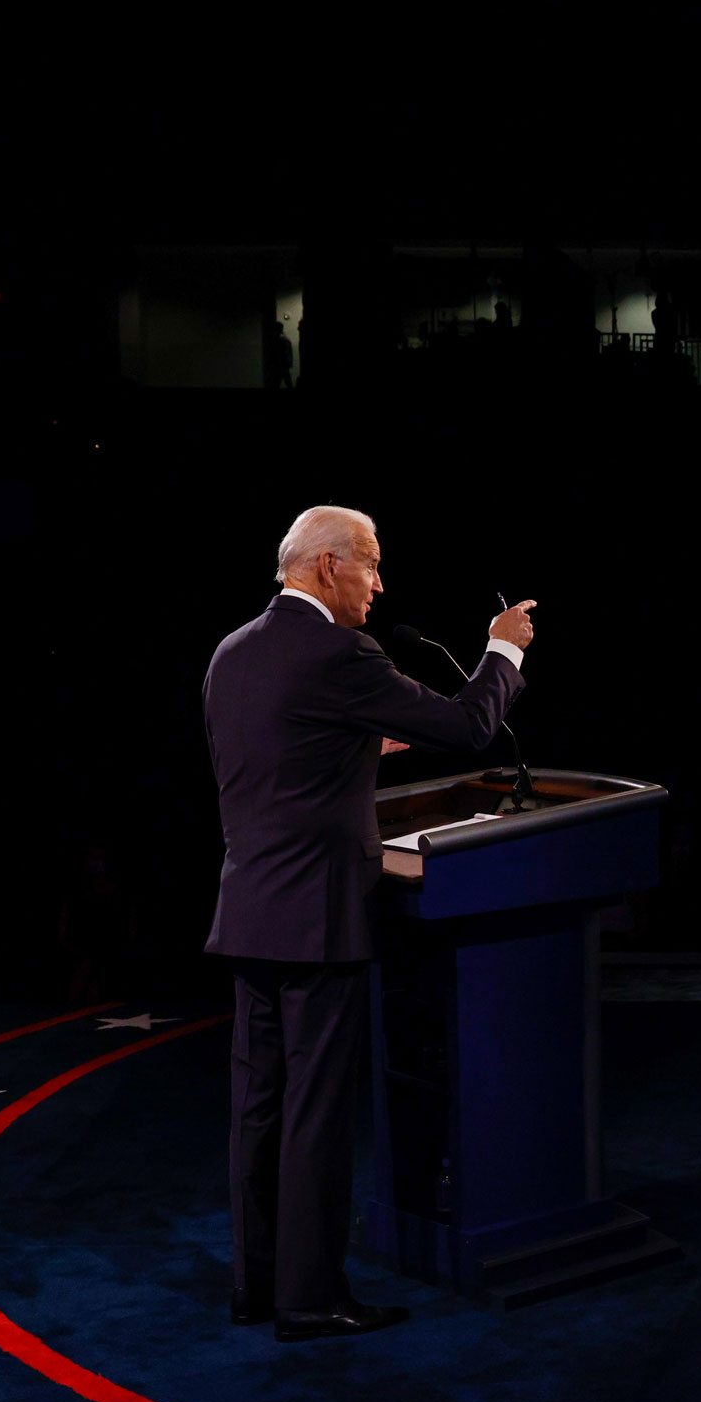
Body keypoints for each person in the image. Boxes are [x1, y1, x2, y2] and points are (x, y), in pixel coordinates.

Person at [203, 506, 537, 1341]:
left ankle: (259, 1285)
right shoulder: (341, 652)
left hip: (250, 911)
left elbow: (272, 758)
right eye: (372, 566)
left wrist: (355, 746)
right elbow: (469, 725)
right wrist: (503, 648)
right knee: (315, 1113)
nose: (379, 586)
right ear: (326, 566)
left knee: (259, 1109)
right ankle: (311, 1300)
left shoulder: (232, 651)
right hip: (317, 919)